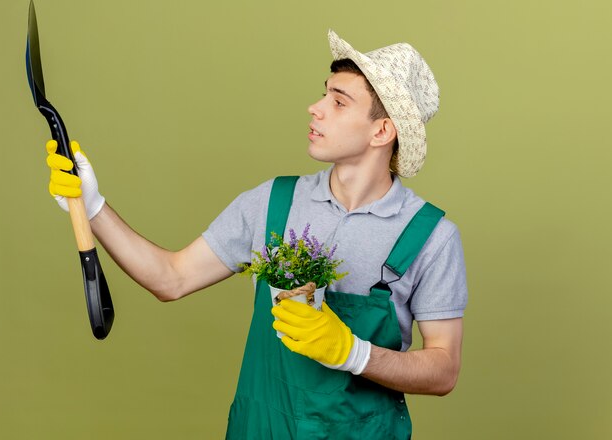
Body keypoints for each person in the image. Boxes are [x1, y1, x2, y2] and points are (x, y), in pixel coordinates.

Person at [45, 30, 467, 439]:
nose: (315, 108)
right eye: (324, 94)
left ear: (382, 132)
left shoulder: (430, 236)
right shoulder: (271, 203)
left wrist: (354, 353)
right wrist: (95, 207)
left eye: (338, 102)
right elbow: (170, 279)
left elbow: (443, 369)